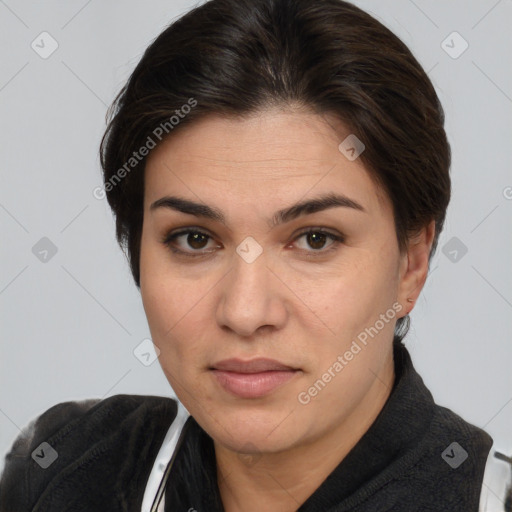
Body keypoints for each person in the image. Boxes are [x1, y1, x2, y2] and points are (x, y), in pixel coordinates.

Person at [0, 0, 494, 510]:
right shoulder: (60, 473)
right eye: (194, 239)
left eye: (315, 239)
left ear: (411, 265)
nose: (244, 311)